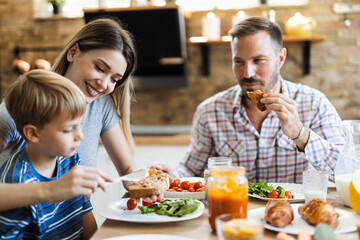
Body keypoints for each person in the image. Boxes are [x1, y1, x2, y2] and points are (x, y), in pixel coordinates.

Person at [155, 16, 345, 183]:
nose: (247, 73)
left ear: (280, 58)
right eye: (239, 61)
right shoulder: (210, 111)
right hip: (234, 216)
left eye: (258, 60)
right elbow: (192, 169)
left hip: (292, 218)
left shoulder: (315, 104)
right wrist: (172, 176)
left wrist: (300, 134)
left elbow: (346, 170)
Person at [0, 18, 162, 212]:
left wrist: (149, 182)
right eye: (100, 68)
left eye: (114, 79)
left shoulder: (100, 104)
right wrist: (51, 190)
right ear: (73, 52)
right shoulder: (20, 109)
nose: (104, 84)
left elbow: (128, 171)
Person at [0, 70, 96, 239]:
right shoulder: (15, 181)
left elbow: (85, 212)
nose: (80, 135)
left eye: (80, 124)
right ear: (33, 134)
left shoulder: (70, 158)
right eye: (68, 129)